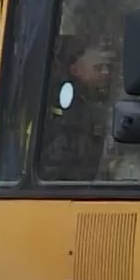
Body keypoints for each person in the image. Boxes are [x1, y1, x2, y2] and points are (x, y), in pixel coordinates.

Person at [41, 36, 118, 181]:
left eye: (109, 68)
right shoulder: (59, 110)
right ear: (75, 69)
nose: (106, 74)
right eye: (98, 68)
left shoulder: (105, 106)